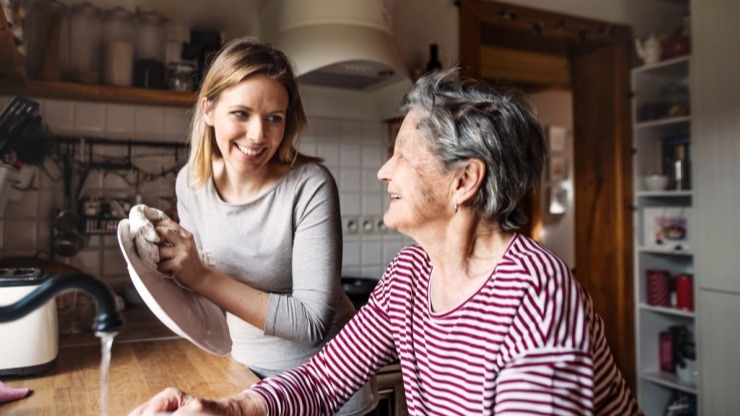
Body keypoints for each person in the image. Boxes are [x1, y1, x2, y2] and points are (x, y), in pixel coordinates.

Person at [130, 67, 643, 415]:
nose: (382, 171)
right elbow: (323, 378)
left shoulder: (536, 296)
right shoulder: (410, 276)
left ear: (463, 181)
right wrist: (231, 409)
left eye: (400, 154)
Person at [146, 37, 377, 415]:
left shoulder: (310, 185)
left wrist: (199, 276)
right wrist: (164, 268)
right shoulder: (191, 183)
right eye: (241, 113)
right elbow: (204, 298)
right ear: (208, 109)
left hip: (327, 389)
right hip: (246, 376)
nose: (258, 135)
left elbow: (311, 322)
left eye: (274, 118)